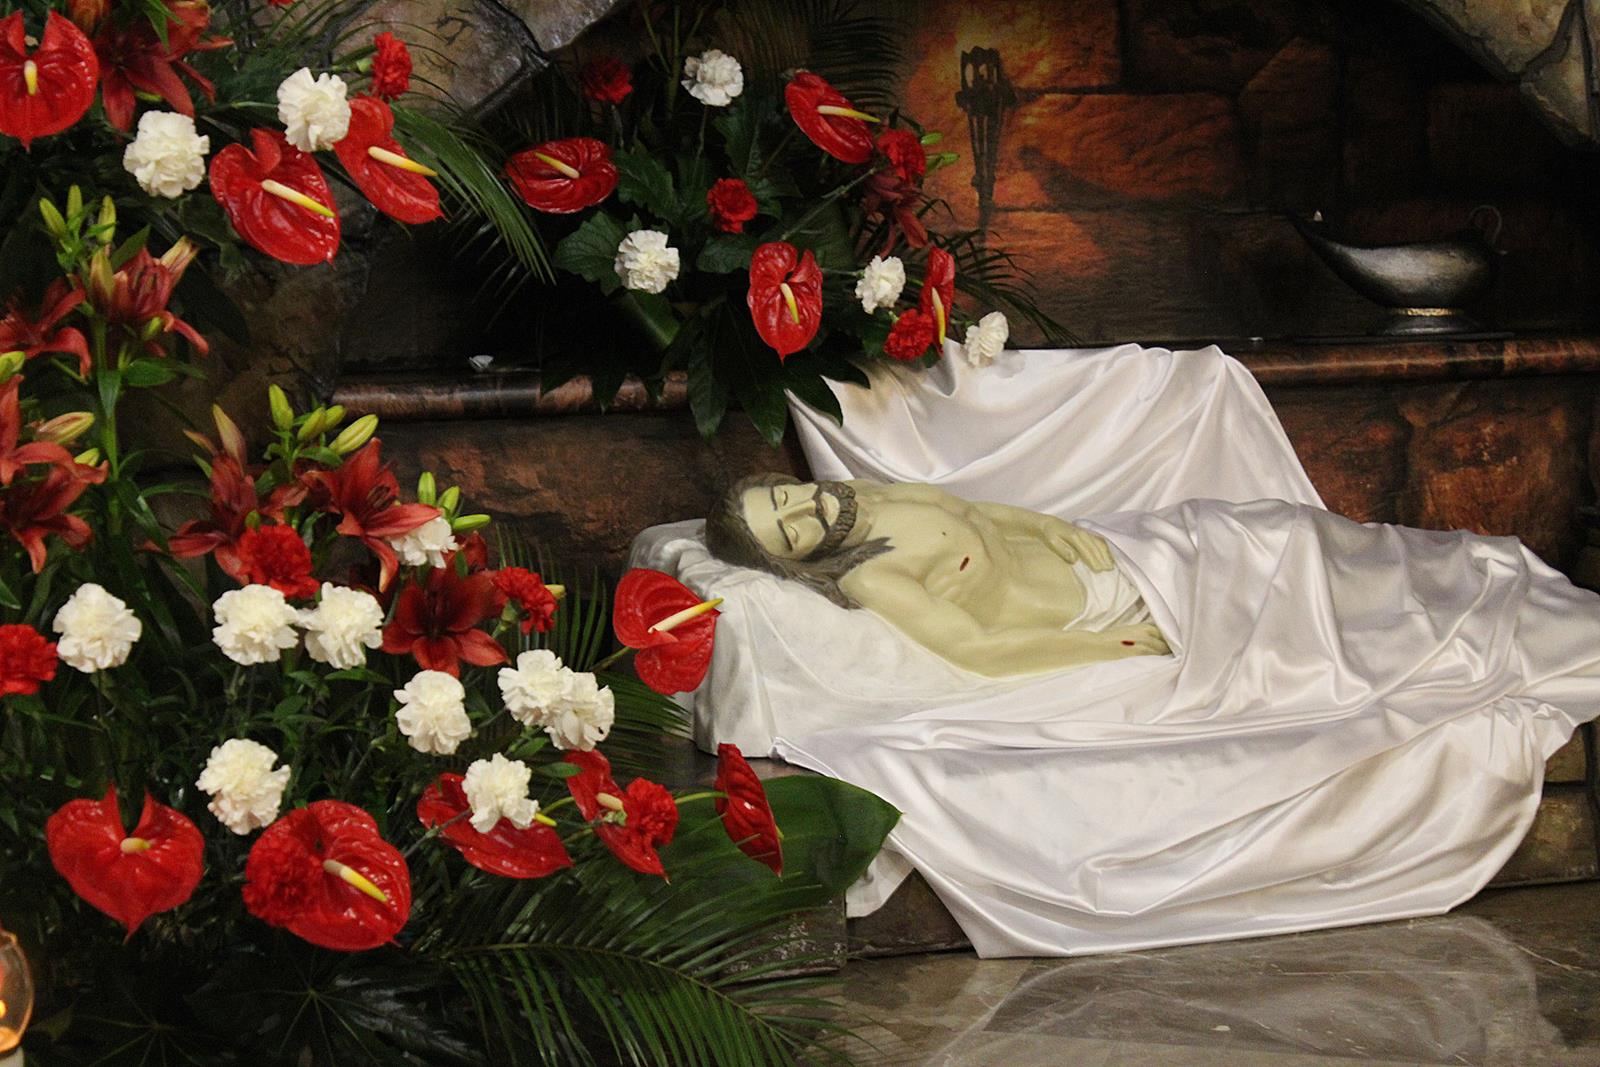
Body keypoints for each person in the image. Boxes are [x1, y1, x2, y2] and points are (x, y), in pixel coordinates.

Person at [704, 472, 1169, 677]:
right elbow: (977, 649)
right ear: (798, 561)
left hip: (1106, 551)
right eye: (793, 533)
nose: (810, 508)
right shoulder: (872, 576)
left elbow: (971, 511)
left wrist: (1046, 525)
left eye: (786, 499)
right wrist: (1108, 645)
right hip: (1099, 608)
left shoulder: (860, 493)